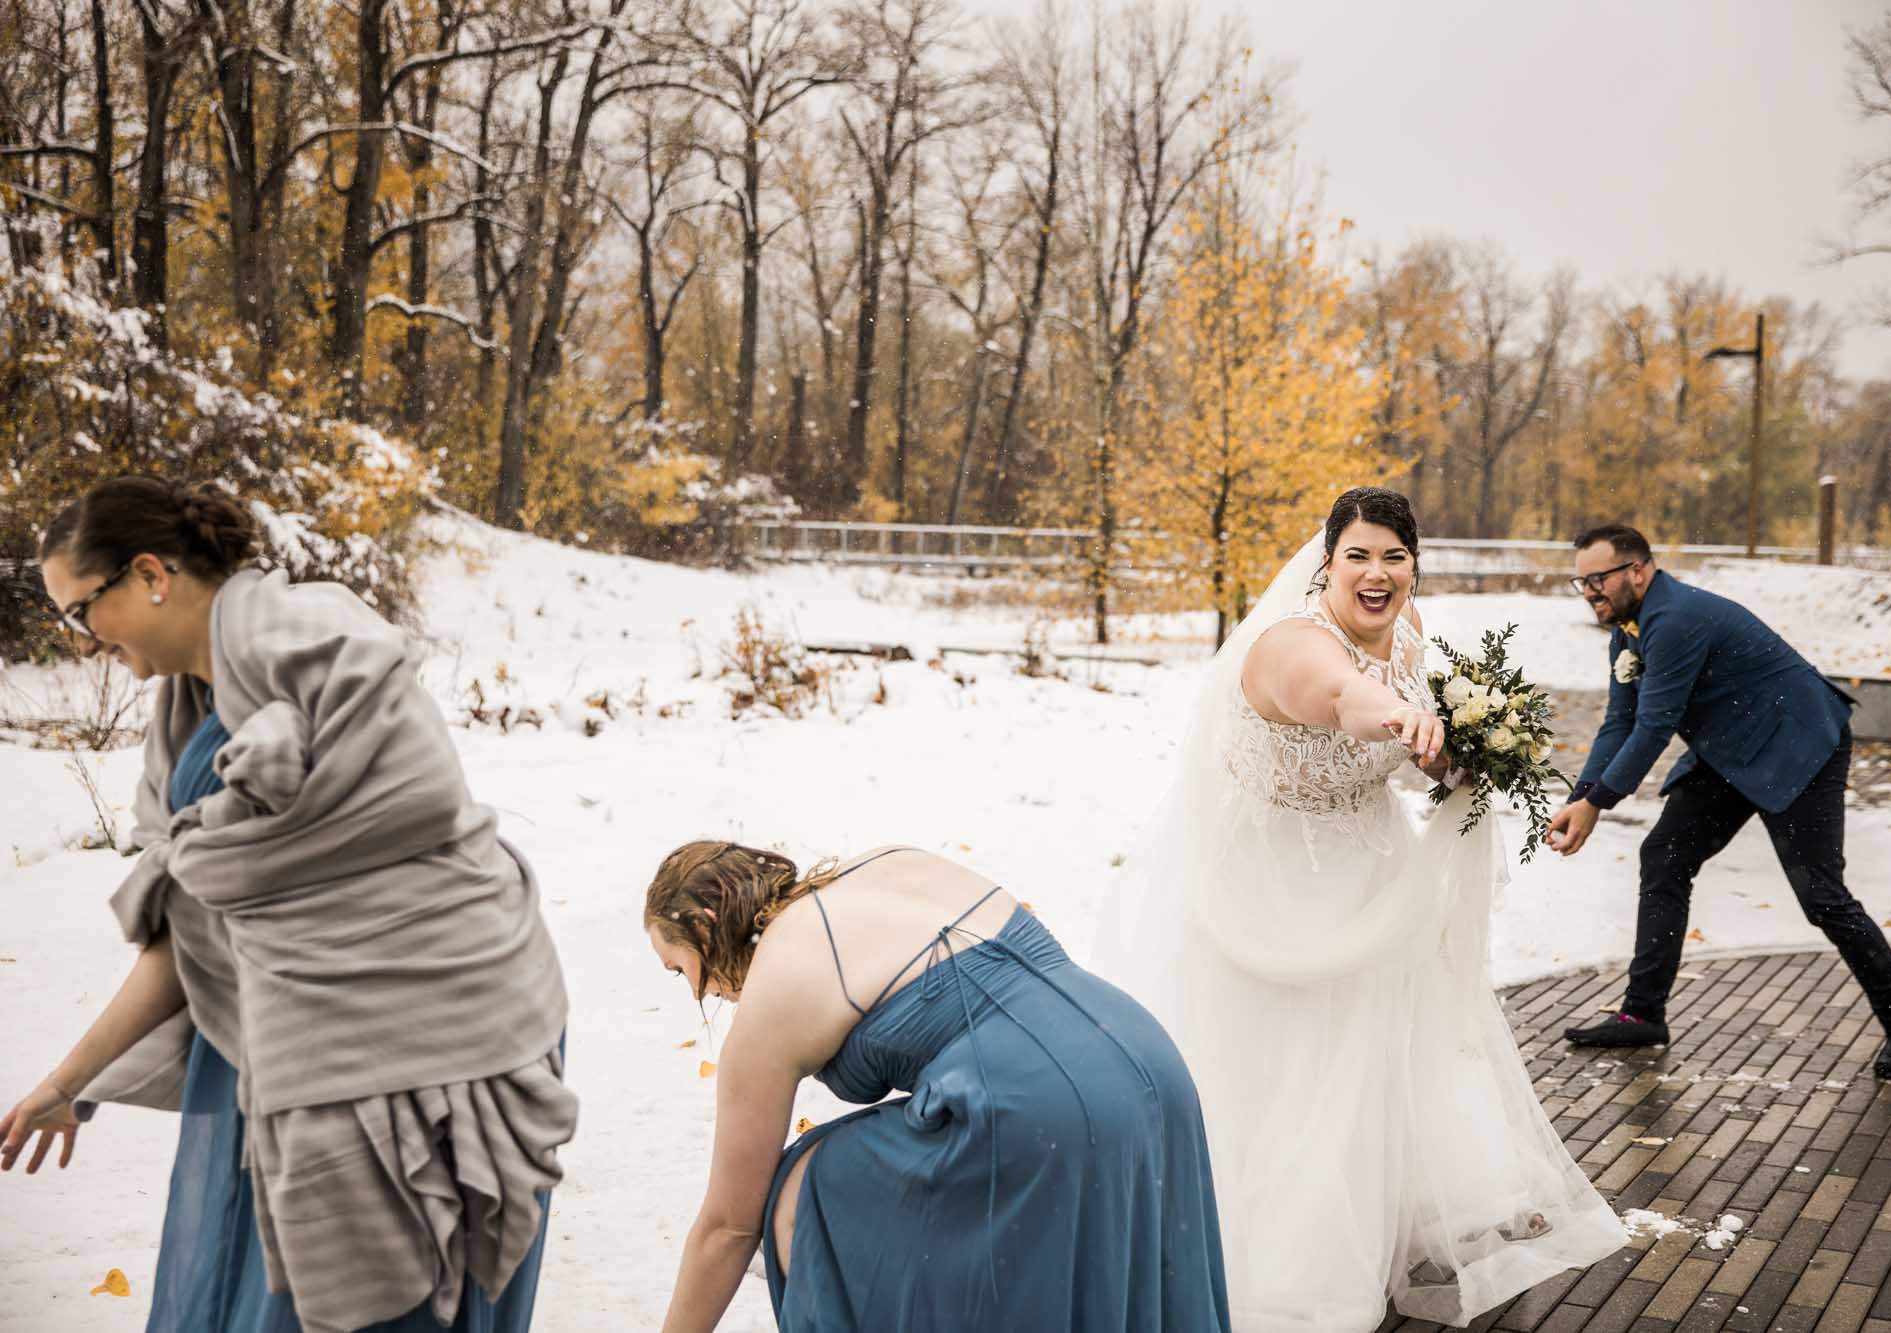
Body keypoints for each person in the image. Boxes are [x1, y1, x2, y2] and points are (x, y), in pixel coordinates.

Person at [0, 476, 577, 1331]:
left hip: (425, 1032)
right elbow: (193, 928)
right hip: (281, 1038)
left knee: (369, 1302)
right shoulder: (189, 711)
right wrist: (65, 1083)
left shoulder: (318, 645)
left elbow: (417, 806)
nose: (81, 640)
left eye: (81, 611)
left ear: (150, 573)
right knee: (259, 1289)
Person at [1092, 487, 1625, 1332]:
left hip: (1371, 868)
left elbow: (1406, 764)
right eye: (1359, 556)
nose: (1377, 574)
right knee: (1286, 1065)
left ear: (1415, 565)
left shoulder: (1411, 633)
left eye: (1395, 556)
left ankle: (1368, 1221)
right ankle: (1273, 1250)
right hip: (1269, 883)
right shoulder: (1292, 647)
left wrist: (1456, 759)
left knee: (1373, 1056)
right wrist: (1403, 715)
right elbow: (1345, 700)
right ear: (1326, 564)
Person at [640, 839, 1230, 1333]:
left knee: (807, 1187)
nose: (698, 992)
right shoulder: (883, 865)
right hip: (1147, 1062)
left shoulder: (773, 989)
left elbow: (728, 1226)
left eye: (679, 969)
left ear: (705, 924)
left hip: (1041, 1105)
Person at [1545, 524, 1891, 1078]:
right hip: (1729, 751)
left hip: (1798, 743)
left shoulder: (1674, 618)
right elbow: (1619, 720)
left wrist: (1600, 803)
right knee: (1665, 857)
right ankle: (1643, 1015)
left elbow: (1654, 726)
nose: (1589, 593)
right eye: (1579, 582)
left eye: (1597, 579)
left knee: (1821, 896)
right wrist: (1583, 793)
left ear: (1637, 570)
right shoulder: (1627, 631)